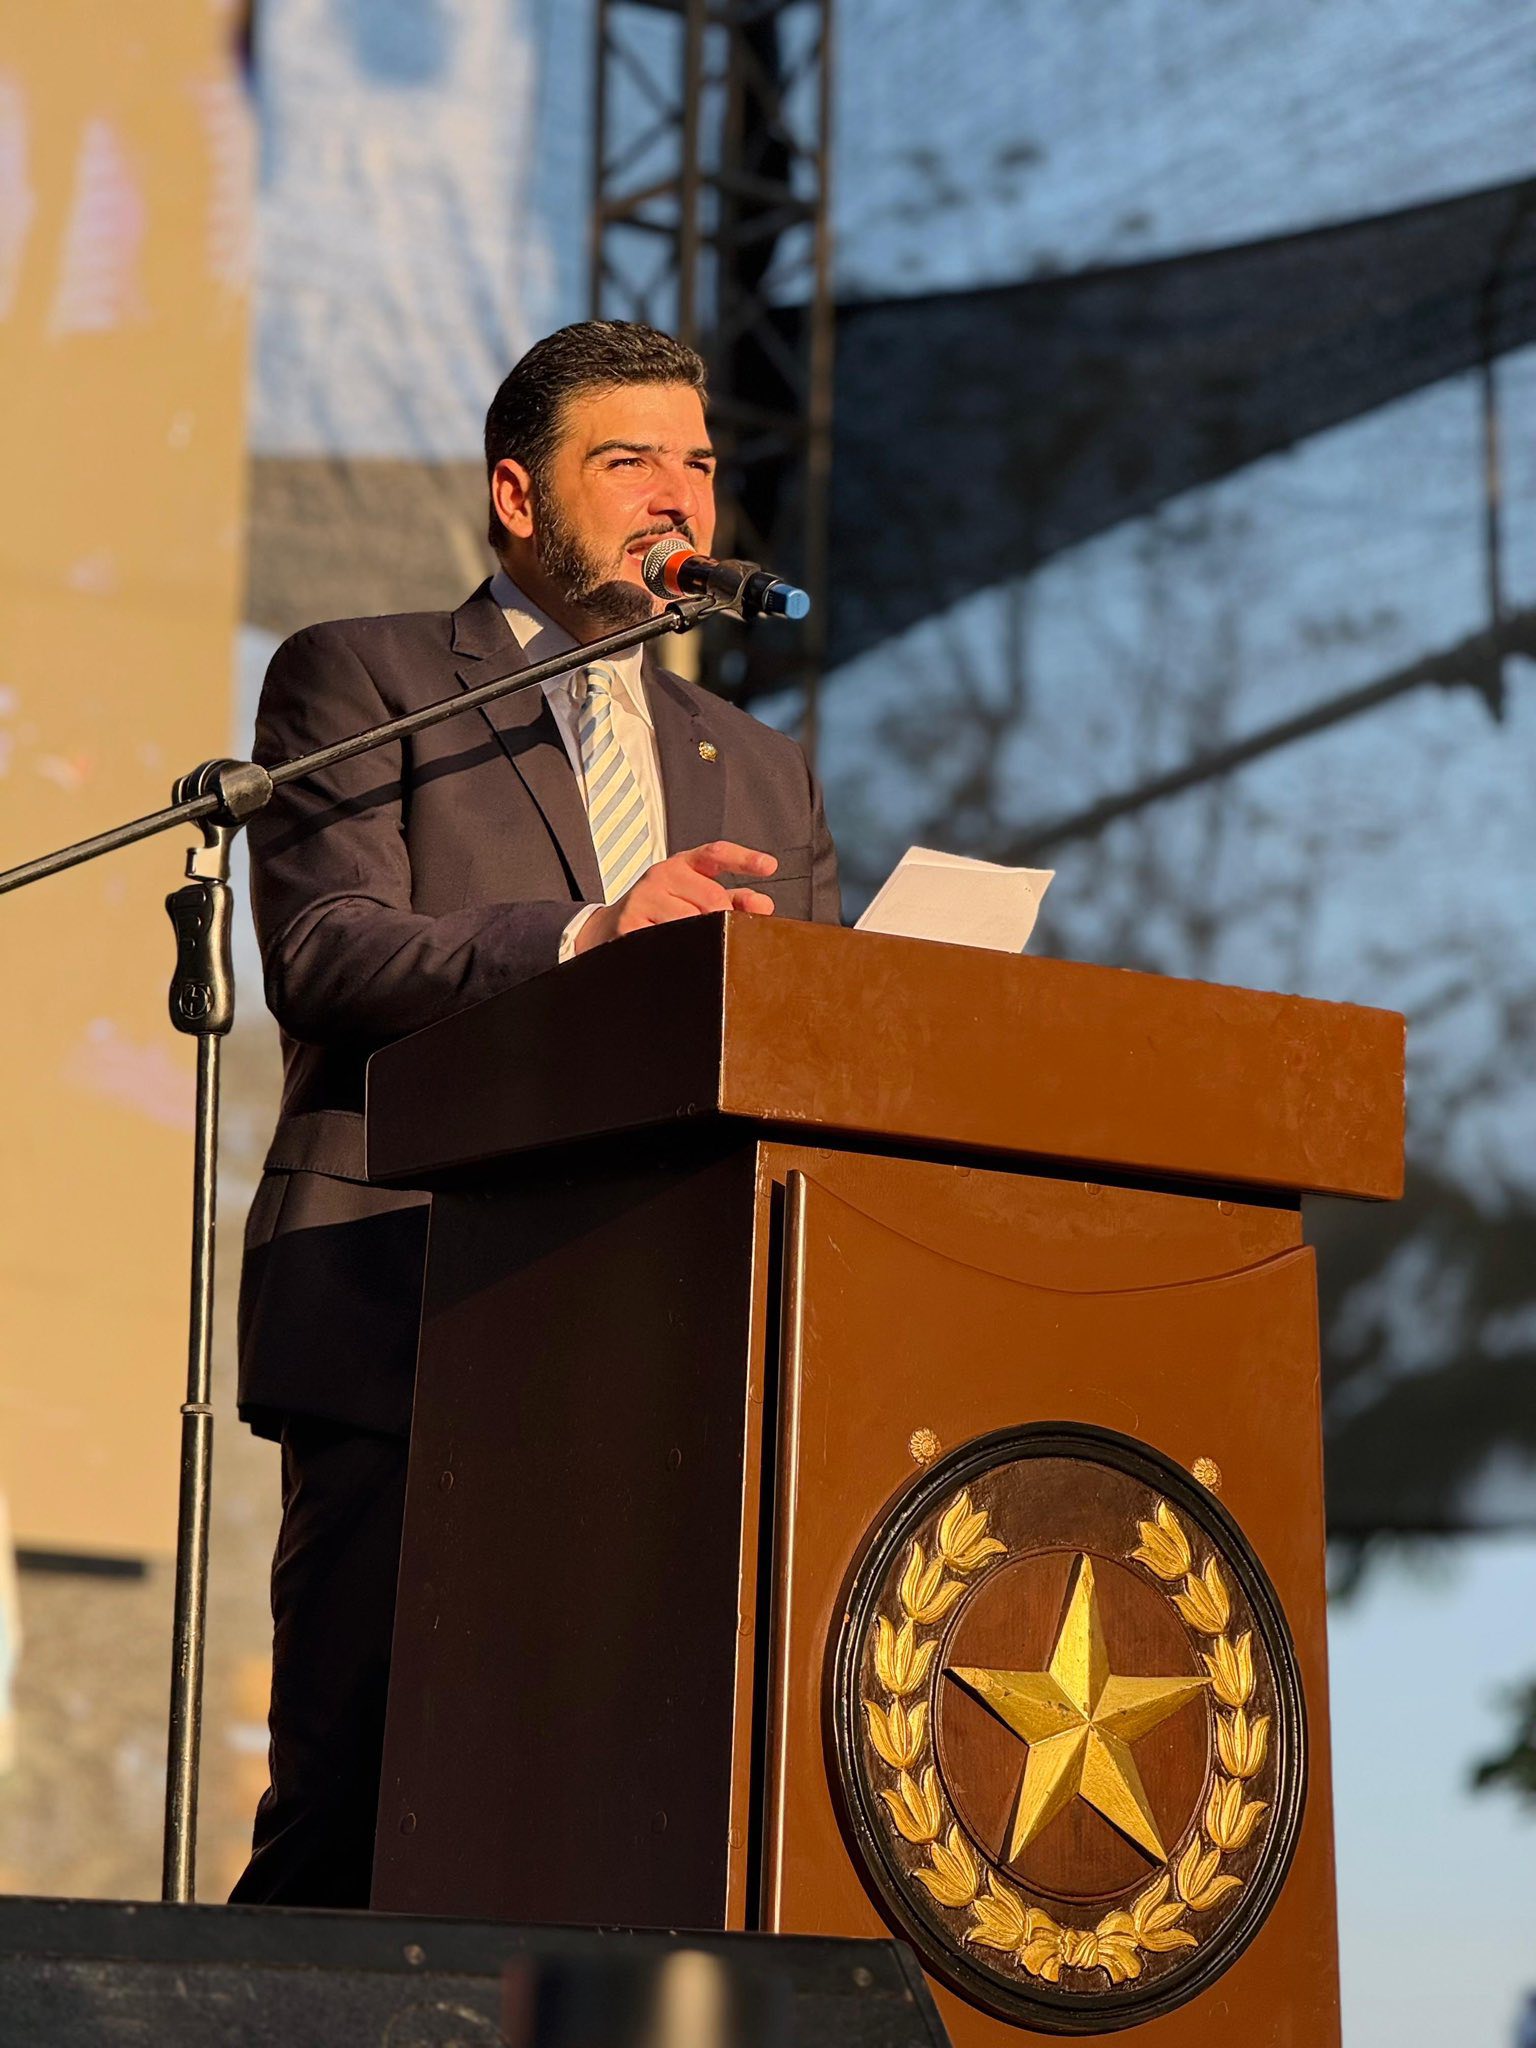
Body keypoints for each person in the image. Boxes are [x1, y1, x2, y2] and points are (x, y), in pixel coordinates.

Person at [229, 320, 841, 1906]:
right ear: (519, 496)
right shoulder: (364, 679)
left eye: (698, 463)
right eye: (628, 461)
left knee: (619, 1839)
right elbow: (327, 950)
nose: (679, 497)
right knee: (358, 1820)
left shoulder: (759, 769)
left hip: (673, 1351)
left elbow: (810, 1041)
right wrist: (589, 935)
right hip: (413, 1310)